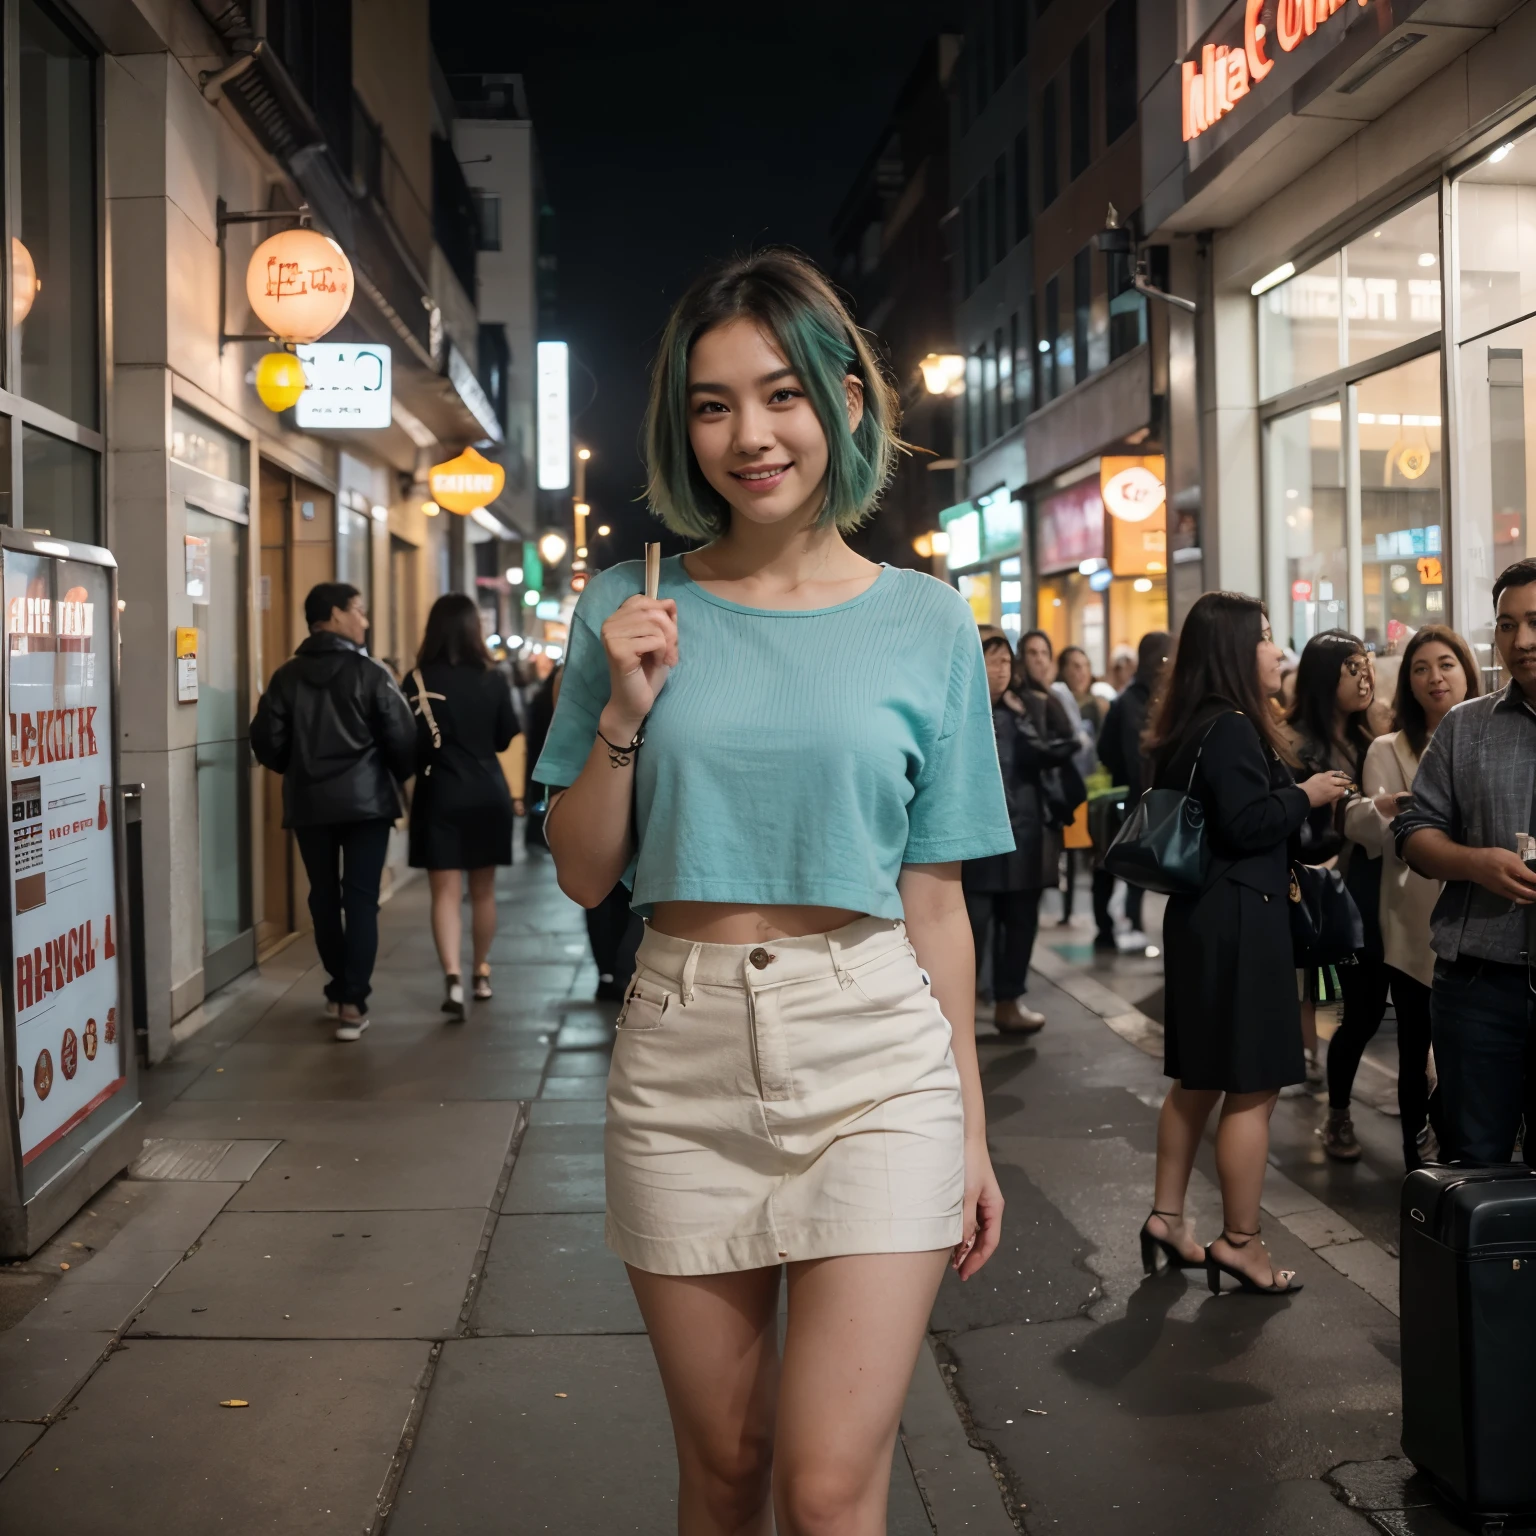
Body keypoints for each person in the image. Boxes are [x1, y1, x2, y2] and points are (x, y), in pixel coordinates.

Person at [534, 249, 1013, 1533]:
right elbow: (585, 869)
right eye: (711, 403)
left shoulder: (927, 622)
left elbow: (938, 905)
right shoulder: (626, 606)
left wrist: (969, 1126)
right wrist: (628, 713)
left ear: (847, 400)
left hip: (875, 1057)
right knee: (727, 1473)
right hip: (679, 1060)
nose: (749, 434)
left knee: (824, 1486)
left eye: (781, 392)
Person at [1140, 592, 1351, 1295]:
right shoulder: (1230, 727)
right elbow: (1248, 823)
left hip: (1204, 918)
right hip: (1240, 919)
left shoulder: (1189, 725)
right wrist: (1308, 794)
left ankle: (1168, 1219)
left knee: (1197, 1078)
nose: (1277, 651)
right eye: (1264, 637)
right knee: (1252, 1086)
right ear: (1234, 650)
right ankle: (1242, 1242)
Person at [1397, 558, 1536, 1166]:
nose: (1522, 640)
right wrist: (1475, 862)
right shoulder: (1466, 726)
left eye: (1535, 622)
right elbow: (1413, 831)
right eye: (1507, 625)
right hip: (1480, 985)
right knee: (1476, 1162)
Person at [250, 581, 415, 1042]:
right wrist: (391, 774)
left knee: (323, 897)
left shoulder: (286, 676)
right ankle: (352, 1002)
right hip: (367, 806)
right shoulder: (372, 674)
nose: (364, 620)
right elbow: (403, 738)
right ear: (334, 615)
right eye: (358, 610)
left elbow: (266, 742)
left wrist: (299, 767)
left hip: (311, 804)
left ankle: (338, 987)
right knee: (361, 898)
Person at [1341, 625, 1477, 1168]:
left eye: (1445, 664)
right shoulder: (1387, 749)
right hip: (1412, 919)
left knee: (1470, 1046)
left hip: (1481, 915)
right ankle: (1417, 1161)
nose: (1435, 677)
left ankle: (1464, 1155)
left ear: (1465, 670)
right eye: (1421, 668)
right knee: (1414, 1041)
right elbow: (1363, 830)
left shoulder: (1491, 734)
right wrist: (1387, 809)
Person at [402, 594, 520, 1019]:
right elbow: (507, 735)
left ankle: (452, 977)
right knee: (483, 891)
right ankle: (481, 973)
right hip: (489, 791)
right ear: (474, 629)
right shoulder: (494, 676)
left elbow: (407, 742)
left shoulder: (415, 679)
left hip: (439, 793)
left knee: (445, 894)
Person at [965, 632, 1078, 1033]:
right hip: (974, 836)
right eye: (991, 660)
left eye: (1005, 662)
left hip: (1025, 834)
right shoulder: (959, 708)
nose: (1000, 670)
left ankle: (1009, 1002)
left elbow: (1063, 747)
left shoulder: (1029, 705)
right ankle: (958, 1011)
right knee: (971, 926)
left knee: (1020, 922)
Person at [1282, 630, 1378, 1095]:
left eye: (1367, 666)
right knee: (1314, 974)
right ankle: (1309, 1058)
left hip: (1359, 877)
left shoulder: (1370, 738)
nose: (1366, 679)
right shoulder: (1294, 742)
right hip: (1314, 878)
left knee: (1351, 994)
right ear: (1325, 677)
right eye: (1352, 669)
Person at [1094, 631, 1171, 950]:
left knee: (1135, 862)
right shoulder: (1129, 702)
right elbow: (1109, 750)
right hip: (1132, 797)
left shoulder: (1157, 699)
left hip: (1147, 796)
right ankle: (1108, 928)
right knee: (1111, 862)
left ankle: (1129, 923)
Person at [1052, 646, 1100, 925]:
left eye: (1085, 665)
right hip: (1068, 789)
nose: (1081, 672)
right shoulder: (1057, 701)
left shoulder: (1097, 704)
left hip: (1093, 789)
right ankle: (1066, 908)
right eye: (1075, 666)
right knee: (1067, 852)